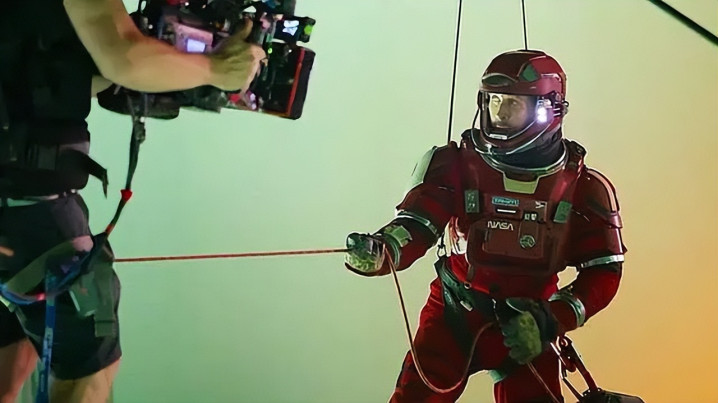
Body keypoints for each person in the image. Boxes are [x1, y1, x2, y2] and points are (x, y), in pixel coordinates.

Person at [0, 0, 265, 402]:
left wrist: (157, 64)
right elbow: (124, 58)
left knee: (14, 346)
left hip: (17, 203)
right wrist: (215, 69)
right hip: (26, 201)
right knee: (88, 372)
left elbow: (37, 67)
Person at [345, 49, 626, 402]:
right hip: (455, 315)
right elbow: (417, 223)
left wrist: (552, 319)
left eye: (513, 103)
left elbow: (604, 272)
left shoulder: (584, 187)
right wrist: (382, 250)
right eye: (494, 102)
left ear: (547, 109)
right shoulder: (454, 164)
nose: (501, 113)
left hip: (526, 327)